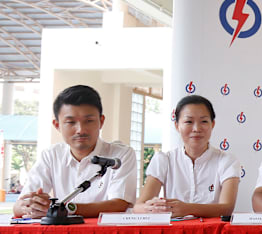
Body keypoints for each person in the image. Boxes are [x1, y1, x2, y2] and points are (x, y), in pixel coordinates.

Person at [13, 85, 136, 218]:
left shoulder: (121, 155)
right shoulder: (51, 155)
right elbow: (21, 205)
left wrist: (65, 209)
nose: (80, 130)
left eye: (89, 121)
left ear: (101, 122)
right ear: (57, 125)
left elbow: (119, 205)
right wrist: (33, 206)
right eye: (71, 122)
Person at [134, 95, 240, 217]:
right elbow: (138, 207)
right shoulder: (164, 160)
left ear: (213, 124)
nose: (196, 129)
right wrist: (153, 207)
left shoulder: (226, 161)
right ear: (177, 125)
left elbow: (227, 208)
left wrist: (187, 208)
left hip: (213, 233)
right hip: (173, 232)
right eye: (189, 122)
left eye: (204, 121)